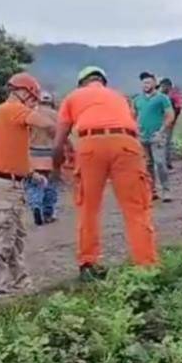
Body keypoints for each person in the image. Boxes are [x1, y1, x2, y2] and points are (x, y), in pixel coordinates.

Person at [52, 66, 158, 281]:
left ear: (82, 82)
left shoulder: (73, 97)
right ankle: (147, 267)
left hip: (91, 145)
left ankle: (89, 264)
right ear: (103, 82)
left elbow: (59, 140)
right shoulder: (119, 97)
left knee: (88, 208)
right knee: (136, 208)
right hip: (127, 144)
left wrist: (56, 167)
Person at [0, 72, 56, 299]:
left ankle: (20, 284)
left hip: (10, 182)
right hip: (2, 185)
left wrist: (32, 174)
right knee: (3, 239)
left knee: (15, 238)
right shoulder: (11, 110)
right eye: (32, 99)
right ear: (21, 93)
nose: (34, 104)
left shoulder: (9, 116)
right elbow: (45, 123)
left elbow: (10, 154)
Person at [132, 71, 175, 202]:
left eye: (148, 82)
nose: (146, 85)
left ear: (154, 83)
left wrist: (162, 131)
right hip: (142, 136)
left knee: (160, 163)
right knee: (147, 164)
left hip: (157, 136)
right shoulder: (137, 100)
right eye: (144, 82)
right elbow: (132, 116)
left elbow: (170, 115)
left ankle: (166, 190)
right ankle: (152, 190)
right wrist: (135, 130)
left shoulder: (162, 98)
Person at [25, 91, 60, 225]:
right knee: (51, 184)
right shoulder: (57, 116)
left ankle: (36, 205)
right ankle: (48, 213)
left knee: (35, 183)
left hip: (33, 153)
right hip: (50, 153)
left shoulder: (31, 114)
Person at [159, 77, 182, 170]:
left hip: (168, 121)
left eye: (163, 86)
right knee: (165, 142)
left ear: (168, 86)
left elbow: (178, 109)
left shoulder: (173, 96)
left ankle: (166, 162)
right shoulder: (165, 95)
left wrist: (172, 120)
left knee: (166, 142)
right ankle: (165, 162)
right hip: (164, 121)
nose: (162, 88)